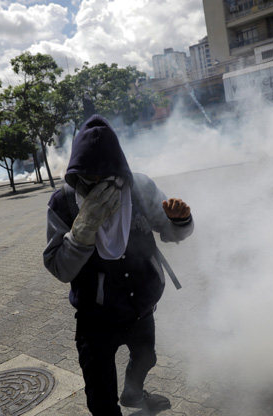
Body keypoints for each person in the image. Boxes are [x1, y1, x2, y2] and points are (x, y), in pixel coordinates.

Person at [43, 114, 194, 415]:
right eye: (91, 178)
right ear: (77, 171)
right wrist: (83, 229)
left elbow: (172, 233)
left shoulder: (140, 187)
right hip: (95, 317)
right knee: (100, 398)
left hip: (141, 305)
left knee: (146, 358)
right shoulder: (63, 203)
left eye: (108, 177)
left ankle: (134, 394)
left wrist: (181, 220)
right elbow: (60, 268)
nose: (100, 184)